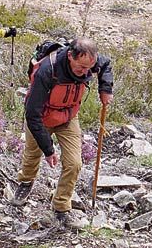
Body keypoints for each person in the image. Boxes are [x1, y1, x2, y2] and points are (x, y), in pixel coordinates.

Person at [11, 37, 113, 229]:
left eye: (88, 69)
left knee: (74, 164)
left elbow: (106, 64)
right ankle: (25, 182)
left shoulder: (89, 61)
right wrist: (49, 150)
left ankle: (61, 207)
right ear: (70, 56)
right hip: (41, 117)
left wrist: (105, 88)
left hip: (68, 116)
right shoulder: (47, 71)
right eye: (80, 68)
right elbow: (32, 115)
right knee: (33, 155)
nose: (85, 73)